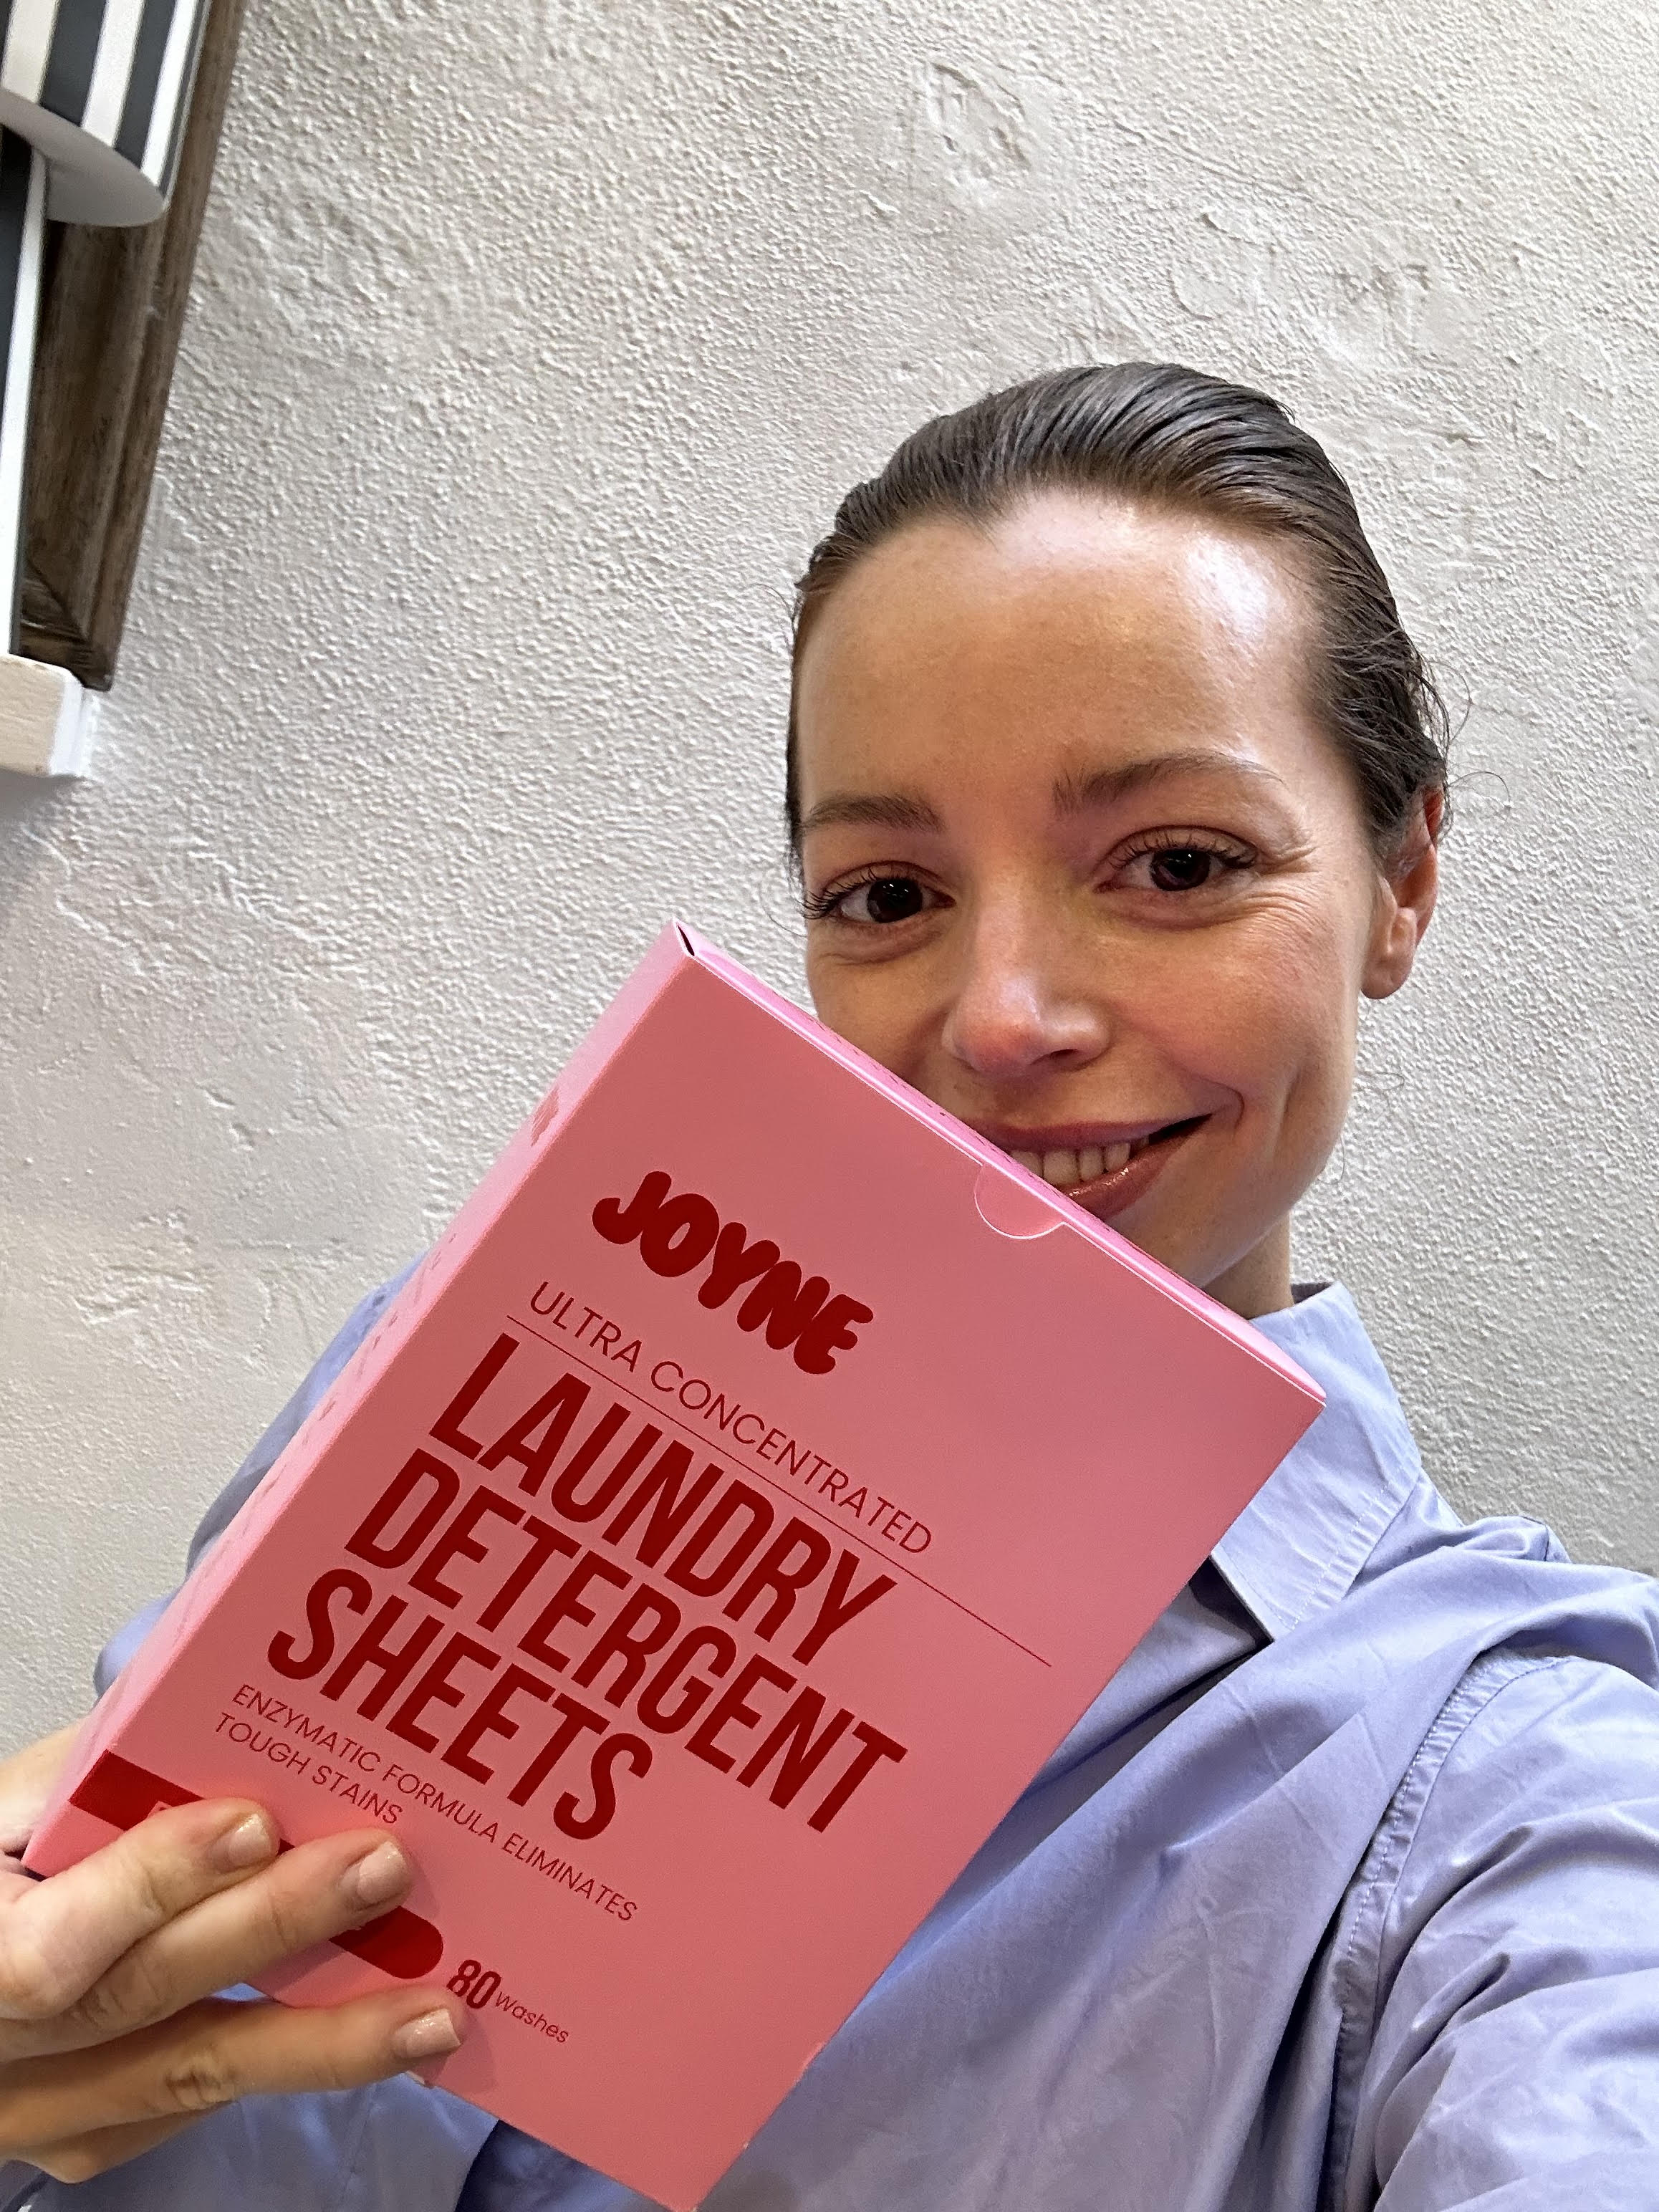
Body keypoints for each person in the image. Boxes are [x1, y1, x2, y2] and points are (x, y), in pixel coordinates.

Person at [5, 360, 1659, 2211]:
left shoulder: (1516, 1771)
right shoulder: (457, 1362)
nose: (1004, 1018)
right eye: (884, 895)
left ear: (1402, 879)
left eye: (1175, 866)